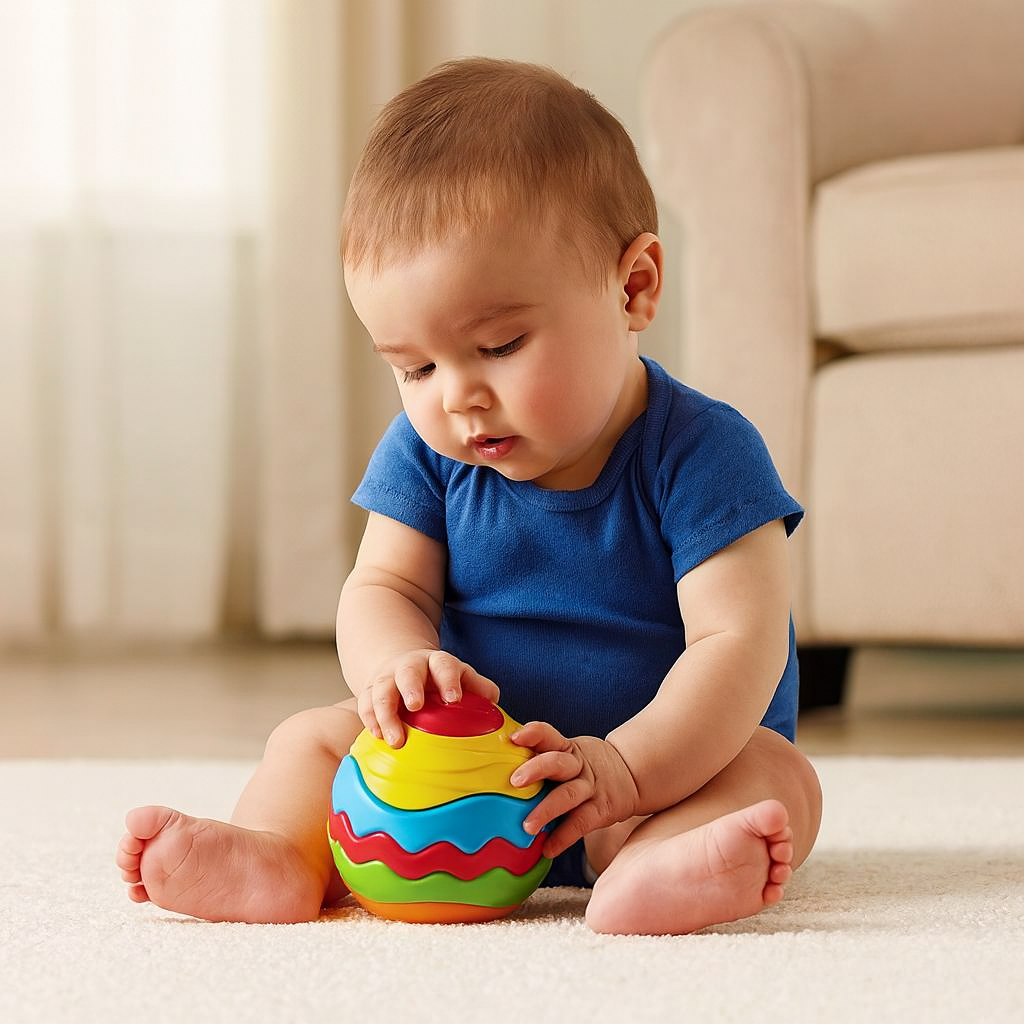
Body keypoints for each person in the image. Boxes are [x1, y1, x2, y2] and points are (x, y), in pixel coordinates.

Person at [117, 57, 822, 935]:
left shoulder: (703, 452)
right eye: (414, 366)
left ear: (632, 286)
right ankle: (279, 855)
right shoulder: (429, 450)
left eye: (498, 345)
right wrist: (394, 669)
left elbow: (737, 644)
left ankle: (651, 869)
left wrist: (624, 773)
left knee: (775, 774)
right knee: (310, 738)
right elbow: (385, 590)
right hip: (452, 780)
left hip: (651, 778)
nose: (455, 397)